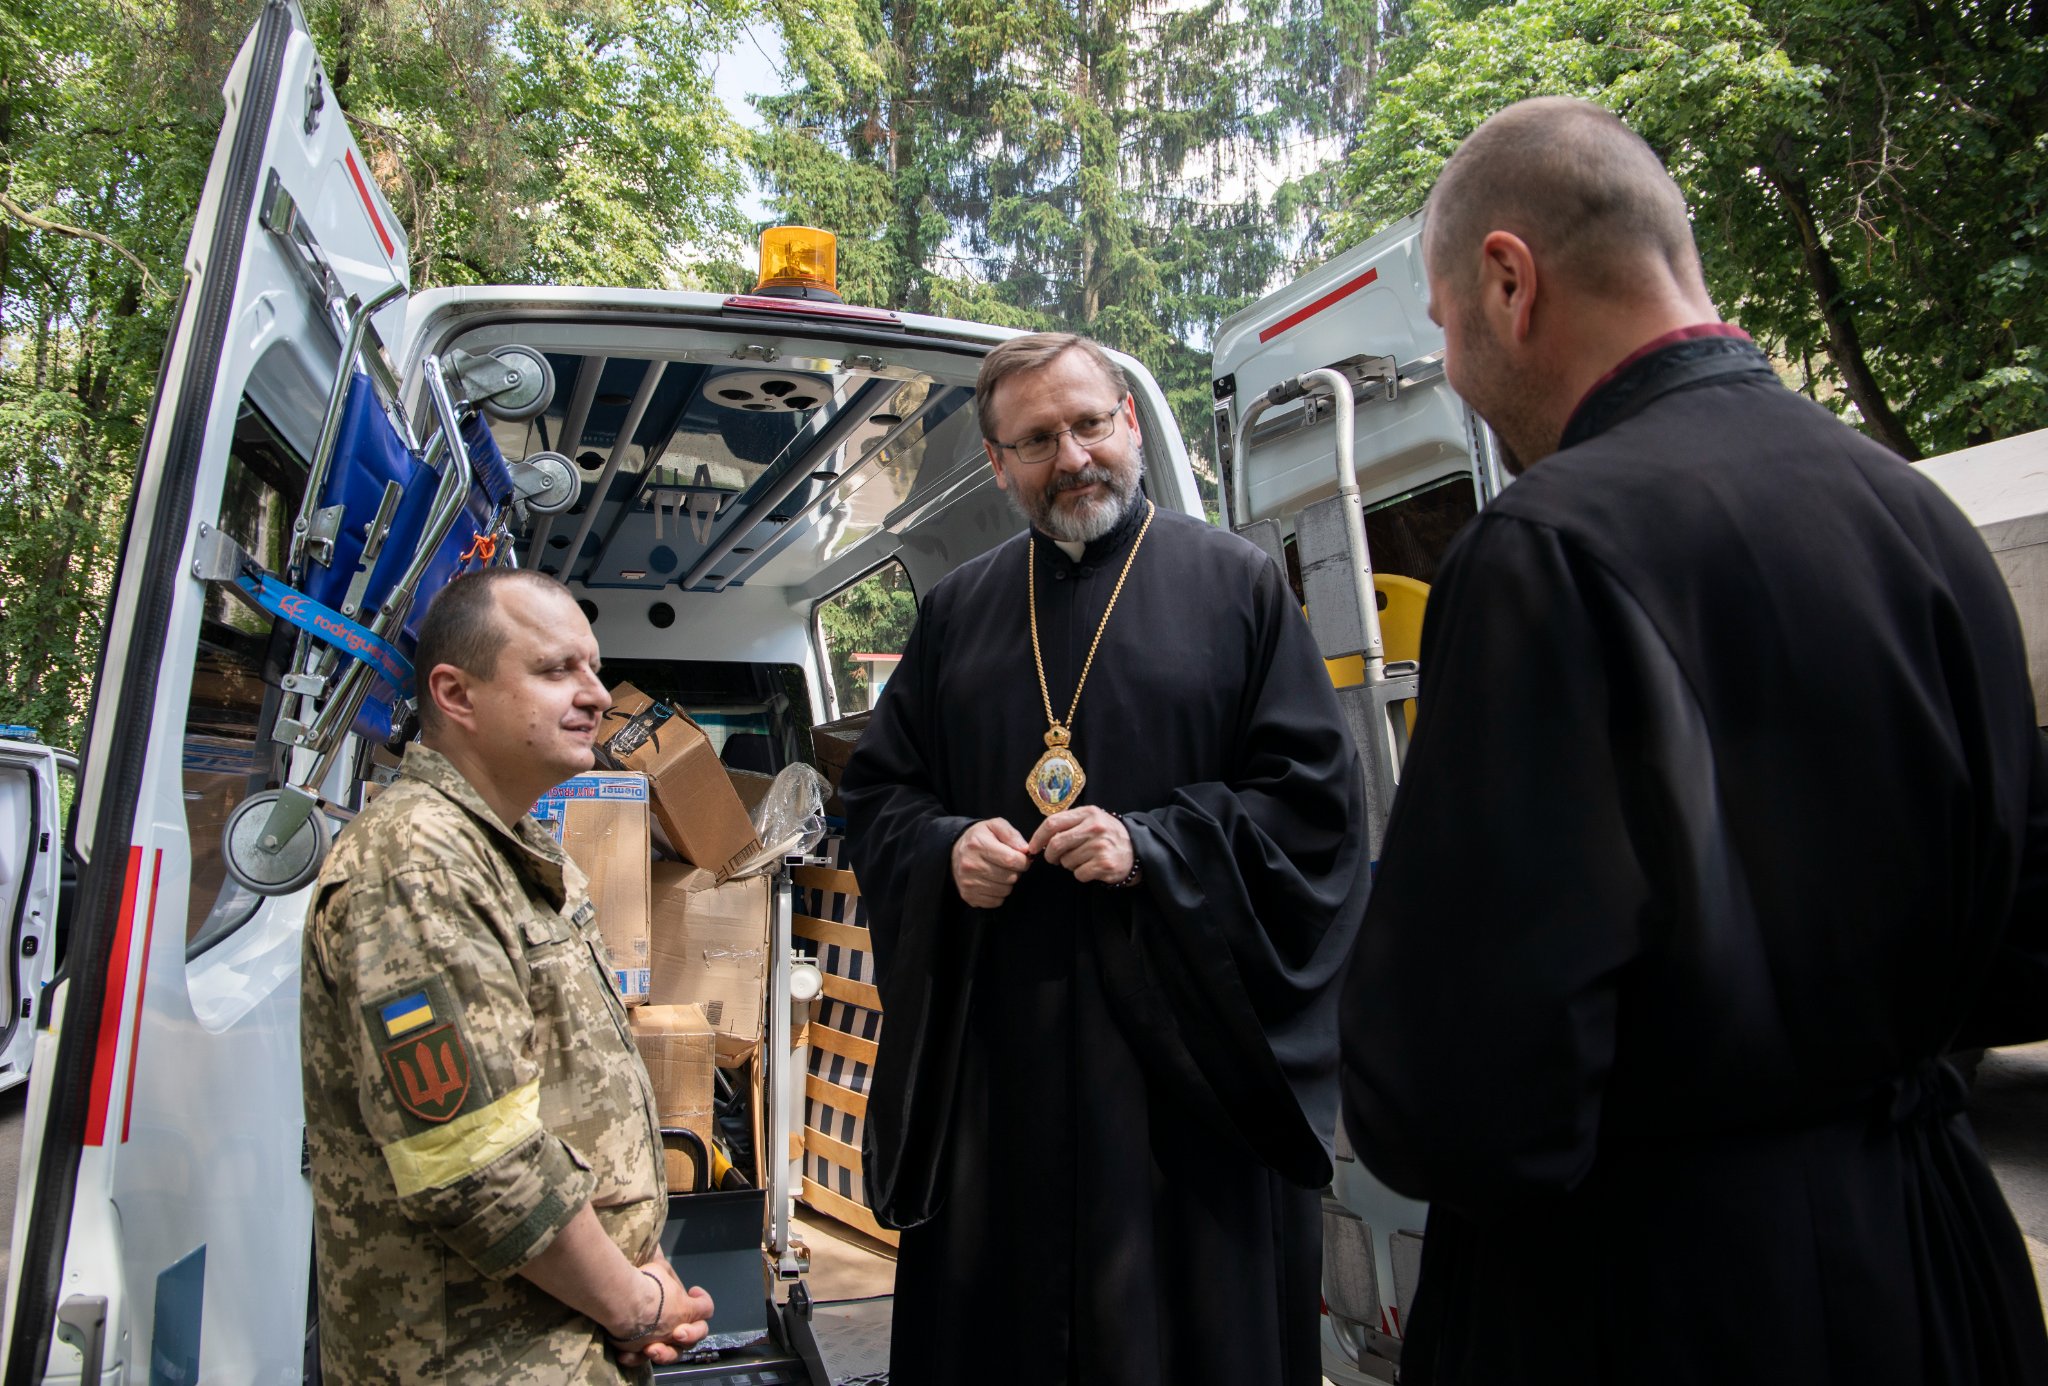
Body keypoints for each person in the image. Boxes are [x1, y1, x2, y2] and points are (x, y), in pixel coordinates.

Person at [1339, 96, 2048, 1385]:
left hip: (1658, 1295)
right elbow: (2024, 944)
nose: (1452, 369)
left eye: (1441, 326)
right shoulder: (1918, 517)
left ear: (1507, 281)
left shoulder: (1544, 549)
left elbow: (1465, 1097)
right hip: (1927, 1266)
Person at [839, 331, 1371, 1385]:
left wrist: (1152, 844)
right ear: (997, 464)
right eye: (1037, 441)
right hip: (1006, 1070)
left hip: (1188, 1071)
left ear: (1128, 422)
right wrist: (945, 849)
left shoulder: (1236, 585)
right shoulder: (957, 613)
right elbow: (878, 797)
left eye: (1089, 425)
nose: (1073, 458)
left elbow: (1314, 809)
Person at [301, 567, 715, 1382]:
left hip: (564, 1335)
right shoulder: (418, 864)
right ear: (455, 694)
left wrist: (641, 1268)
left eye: (593, 668)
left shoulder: (508, 847)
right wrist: (636, 1304)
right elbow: (475, 1164)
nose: (596, 695)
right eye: (557, 670)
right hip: (479, 1357)